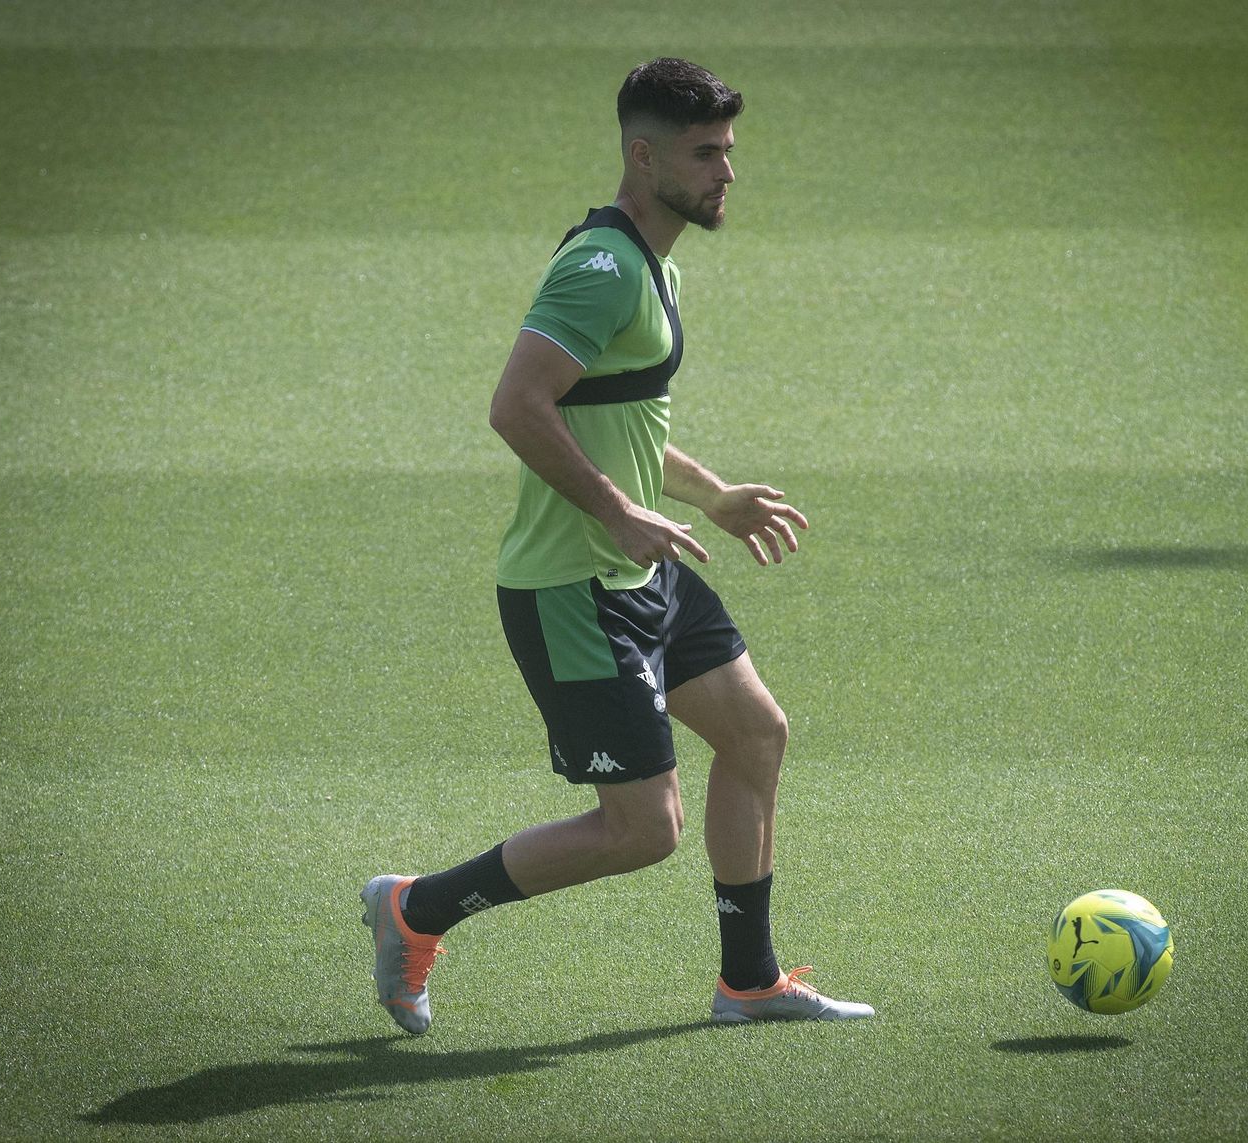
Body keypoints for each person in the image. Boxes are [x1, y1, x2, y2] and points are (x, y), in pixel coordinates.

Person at [361, 57, 873, 1032]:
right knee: (641, 832)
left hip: (642, 565)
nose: (727, 172)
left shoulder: (654, 264)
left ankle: (749, 982)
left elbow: (619, 420)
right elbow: (516, 405)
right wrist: (614, 510)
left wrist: (711, 494)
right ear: (644, 157)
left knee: (755, 733)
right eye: (705, 153)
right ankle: (412, 908)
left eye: (728, 150)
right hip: (572, 587)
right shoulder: (599, 269)